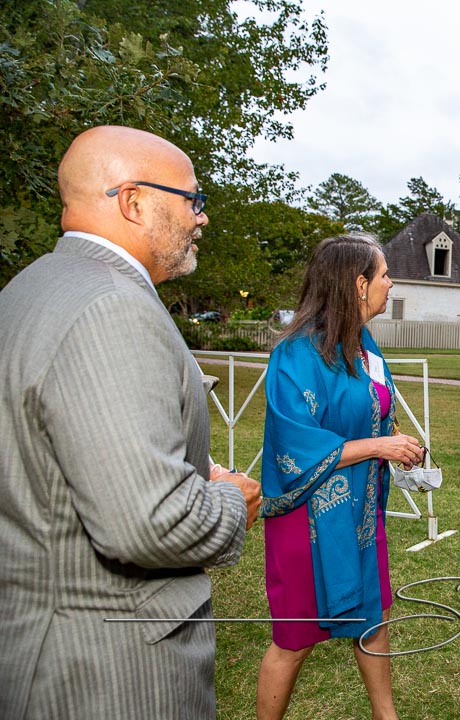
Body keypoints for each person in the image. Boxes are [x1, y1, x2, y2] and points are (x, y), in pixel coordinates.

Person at [0, 125, 262, 719]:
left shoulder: (33, 286)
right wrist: (225, 500)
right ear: (134, 201)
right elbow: (147, 525)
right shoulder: (111, 307)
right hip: (103, 671)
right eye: (192, 199)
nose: (201, 218)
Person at [256, 234, 424, 720]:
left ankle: (385, 715)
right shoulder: (296, 355)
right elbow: (295, 446)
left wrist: (394, 438)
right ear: (357, 284)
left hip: (362, 513)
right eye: (385, 274)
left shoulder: (364, 345)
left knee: (374, 618)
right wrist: (378, 446)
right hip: (307, 521)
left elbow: (371, 408)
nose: (391, 283)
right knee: (295, 639)